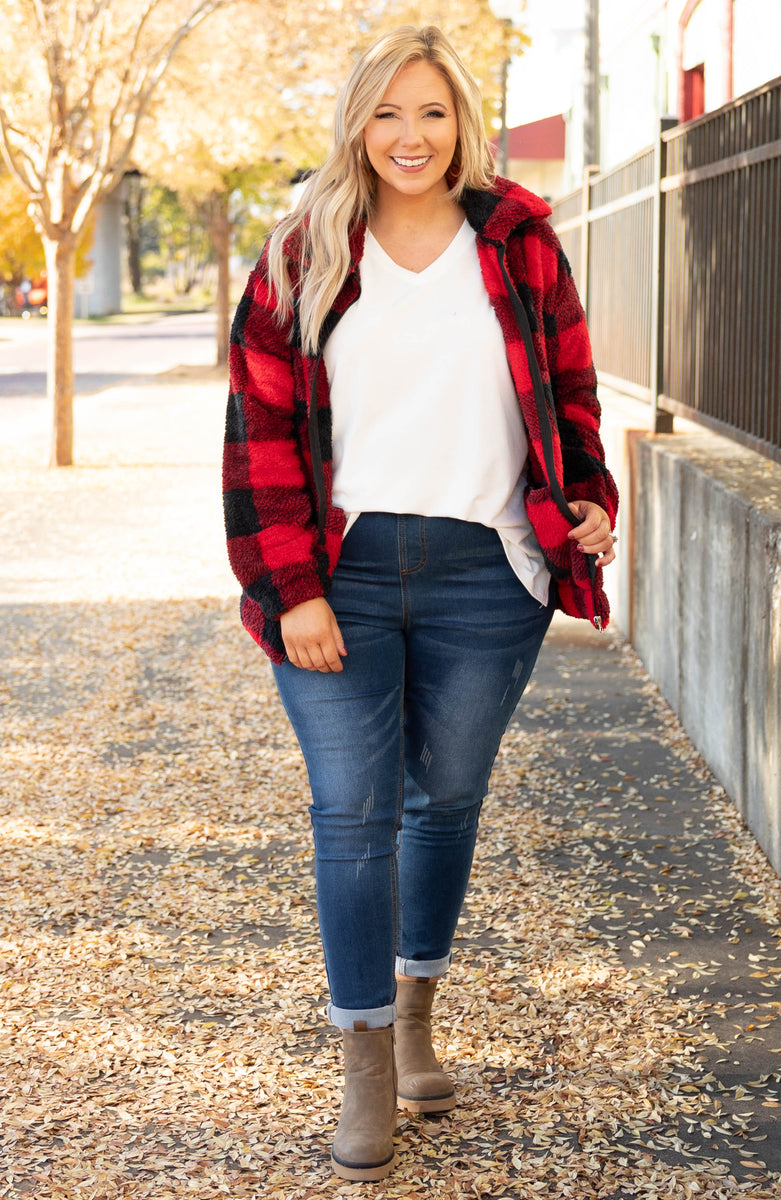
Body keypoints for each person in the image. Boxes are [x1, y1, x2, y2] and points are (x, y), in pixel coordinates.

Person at [223, 24, 618, 1182]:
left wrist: (584, 503)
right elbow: (258, 436)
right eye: (387, 113)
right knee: (351, 813)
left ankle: (411, 1026)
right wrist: (289, 587)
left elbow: (571, 391)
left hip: (486, 570)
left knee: (442, 800)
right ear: (356, 121)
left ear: (462, 124)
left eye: (431, 113)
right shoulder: (304, 250)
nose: (409, 136)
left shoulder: (518, 239)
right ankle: (359, 1068)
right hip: (337, 570)